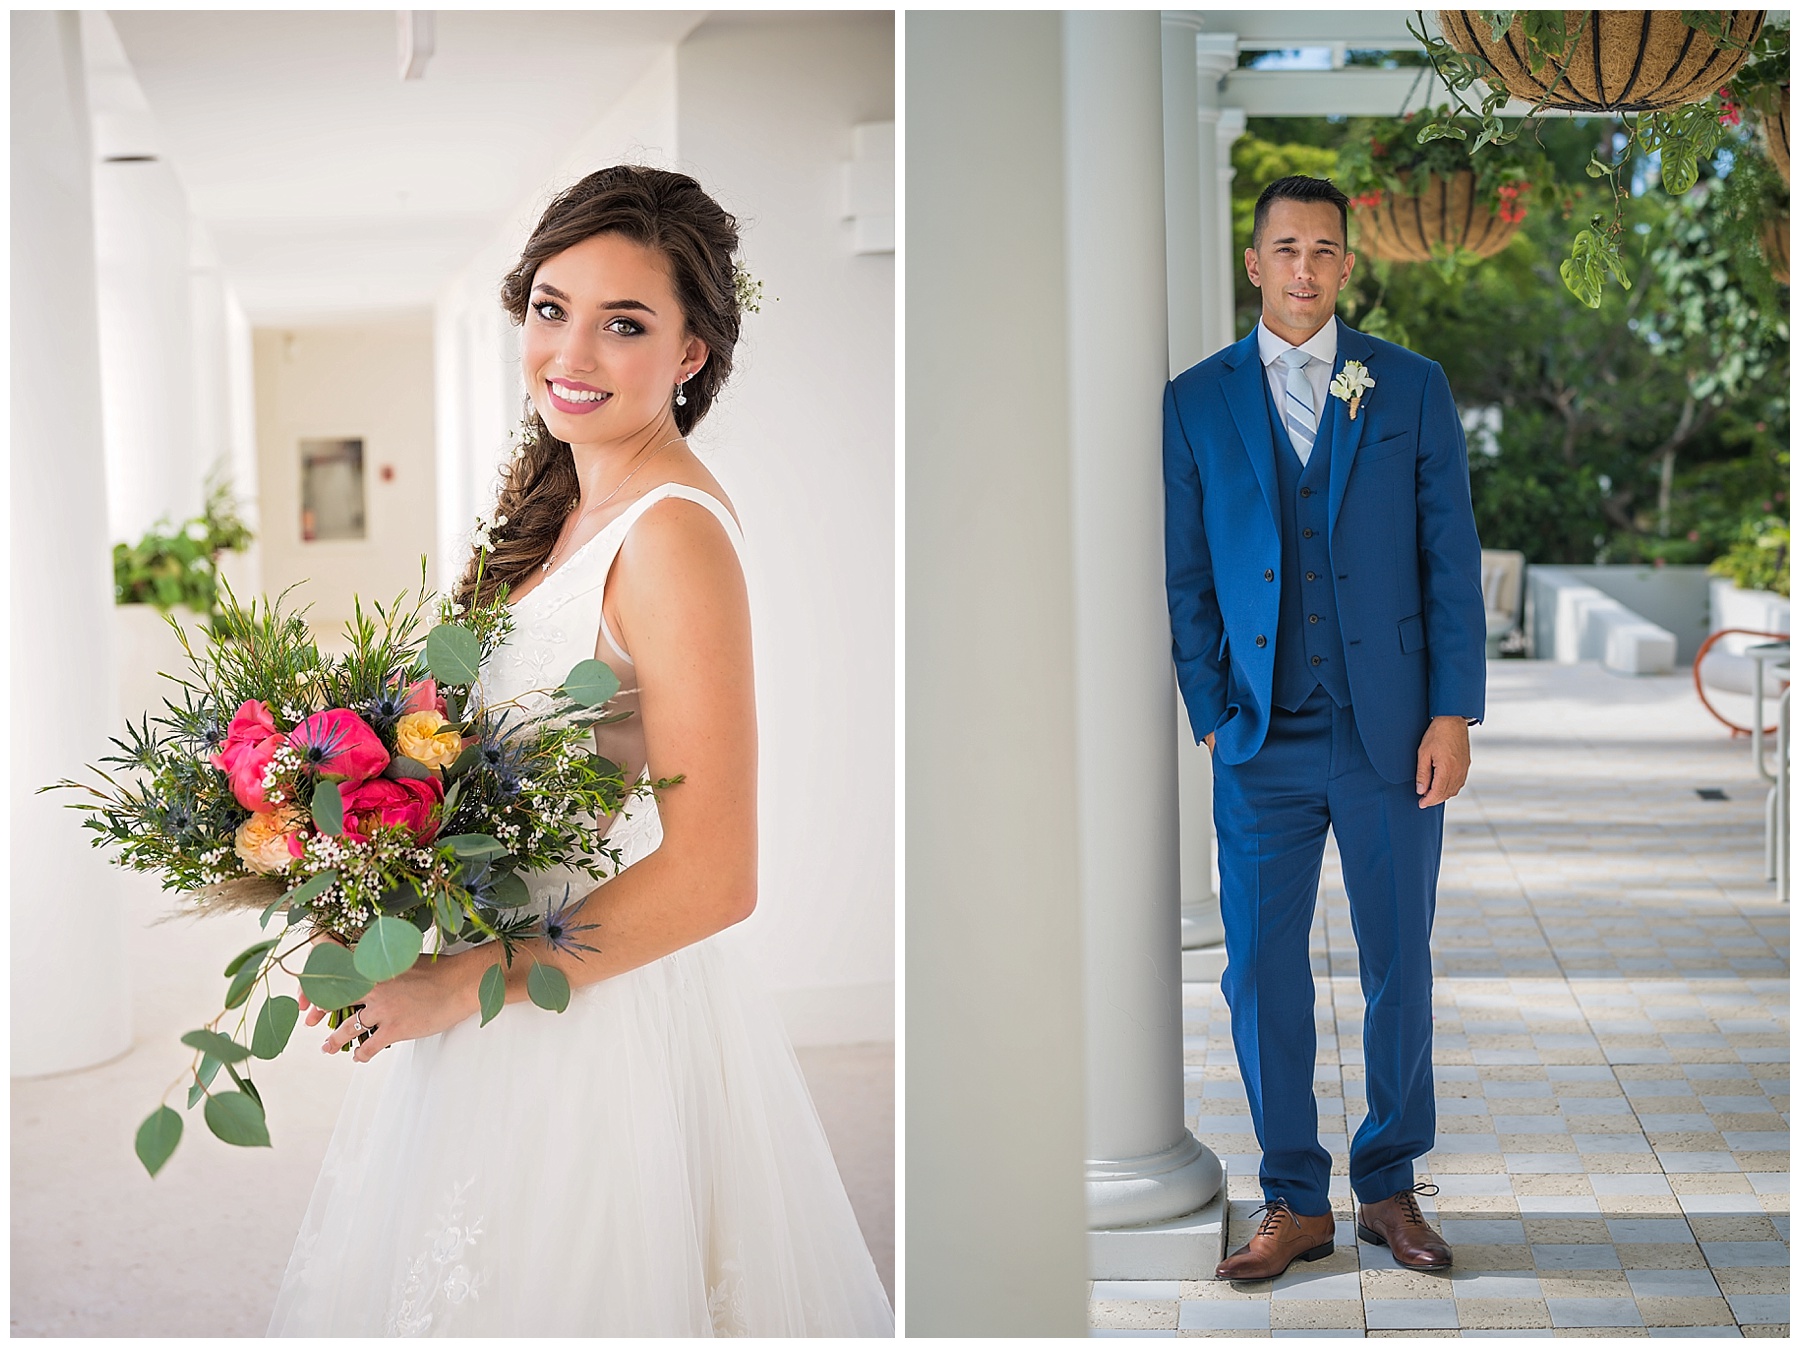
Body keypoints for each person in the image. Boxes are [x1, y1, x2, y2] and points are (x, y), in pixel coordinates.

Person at [268, 165, 894, 1336]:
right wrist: (358, 886)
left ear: (692, 354)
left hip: (587, 1004)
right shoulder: (562, 503)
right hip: (500, 969)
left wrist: (466, 981)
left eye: (626, 324)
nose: (574, 352)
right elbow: (455, 741)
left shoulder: (673, 539)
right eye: (552, 308)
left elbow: (719, 874)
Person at [1162, 175, 1486, 1282]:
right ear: (1253, 262)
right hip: (1260, 738)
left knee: (1400, 963)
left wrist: (1454, 709)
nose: (1307, 267)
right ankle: (1294, 1198)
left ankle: (1389, 1187)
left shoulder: (1408, 385)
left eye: (1327, 249)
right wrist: (1211, 710)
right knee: (1259, 968)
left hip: (1395, 736)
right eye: (1287, 247)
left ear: (1350, 265)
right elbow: (1187, 572)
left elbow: (1450, 555)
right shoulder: (1194, 401)